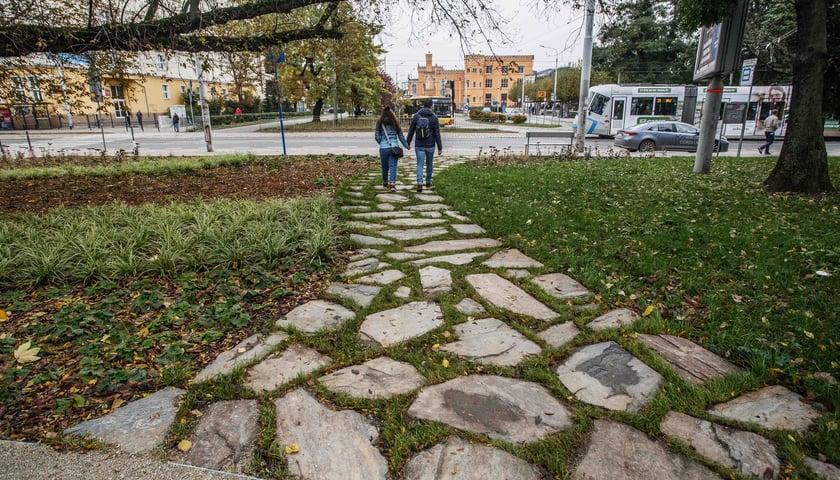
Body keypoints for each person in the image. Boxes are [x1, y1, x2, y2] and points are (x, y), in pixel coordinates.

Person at [406, 98, 443, 192]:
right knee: (429, 163)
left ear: (423, 105)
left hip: (419, 145)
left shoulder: (416, 116)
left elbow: (411, 131)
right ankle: (428, 181)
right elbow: (437, 134)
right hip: (430, 145)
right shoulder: (434, 118)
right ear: (431, 106)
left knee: (420, 164)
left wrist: (408, 142)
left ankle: (419, 183)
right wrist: (439, 147)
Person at [374, 106, 408, 192]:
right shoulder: (395, 122)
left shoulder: (379, 123)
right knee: (393, 166)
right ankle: (392, 184)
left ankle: (385, 181)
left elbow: (377, 136)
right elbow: (400, 136)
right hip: (394, 147)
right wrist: (406, 145)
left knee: (384, 166)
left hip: (383, 148)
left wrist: (381, 143)